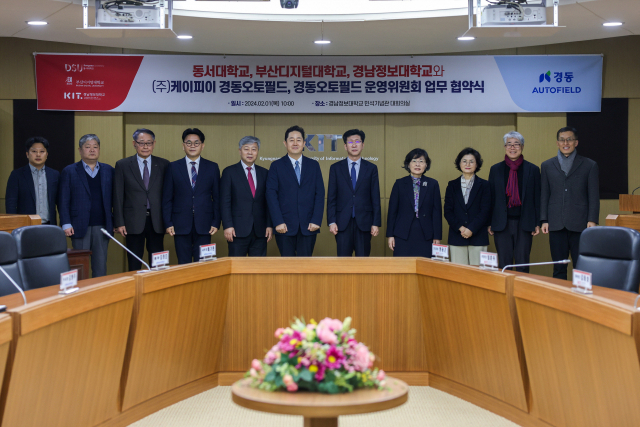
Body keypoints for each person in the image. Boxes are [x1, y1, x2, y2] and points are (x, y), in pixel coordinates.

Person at [541, 126, 599, 280]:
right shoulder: (547, 165)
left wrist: (592, 219)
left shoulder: (589, 165)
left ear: (576, 142)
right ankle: (560, 302)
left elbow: (593, 195)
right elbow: (544, 194)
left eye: (569, 139)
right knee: (559, 267)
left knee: (581, 268)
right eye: (562, 140)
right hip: (555, 222)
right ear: (557, 143)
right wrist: (544, 219)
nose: (565, 142)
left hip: (581, 223)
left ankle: (581, 301)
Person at [113, 129, 169, 271]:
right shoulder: (123, 165)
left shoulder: (164, 165)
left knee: (158, 263)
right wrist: (119, 222)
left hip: (157, 221)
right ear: (134, 144)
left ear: (154, 144)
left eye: (149, 143)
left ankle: (157, 290)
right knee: (134, 262)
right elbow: (118, 196)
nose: (145, 146)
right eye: (141, 143)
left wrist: (169, 221)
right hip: (132, 221)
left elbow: (169, 196)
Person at [58, 134, 113, 277]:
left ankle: (99, 297)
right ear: (80, 150)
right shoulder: (69, 171)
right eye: (88, 147)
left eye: (95, 147)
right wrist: (65, 223)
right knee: (80, 267)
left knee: (100, 266)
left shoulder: (109, 170)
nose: (92, 150)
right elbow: (63, 200)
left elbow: (116, 199)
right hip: (78, 225)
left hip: (102, 226)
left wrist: (115, 221)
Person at [163, 128, 221, 264]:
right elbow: (167, 198)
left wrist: (216, 221)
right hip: (180, 224)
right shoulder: (173, 167)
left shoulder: (212, 167)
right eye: (188, 143)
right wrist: (168, 222)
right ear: (183, 145)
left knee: (204, 263)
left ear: (202, 145)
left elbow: (217, 197)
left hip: (205, 224)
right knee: (183, 263)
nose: (192, 146)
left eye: (196, 143)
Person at [266, 125, 325, 257]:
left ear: (304, 143)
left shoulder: (313, 165)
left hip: (309, 226)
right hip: (284, 226)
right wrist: (278, 221)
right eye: (291, 140)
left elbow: (319, 194)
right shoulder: (276, 166)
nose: (295, 143)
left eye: (299, 140)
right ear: (285, 143)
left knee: (306, 266)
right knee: (287, 266)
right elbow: (271, 195)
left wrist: (316, 220)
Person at [488, 131, 541, 272]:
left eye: (516, 144)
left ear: (522, 147)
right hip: (501, 223)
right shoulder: (495, 169)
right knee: (504, 264)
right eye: (509, 144)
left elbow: (537, 197)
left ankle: (521, 292)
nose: (512, 147)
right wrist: (489, 222)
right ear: (505, 147)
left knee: (522, 263)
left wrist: (537, 222)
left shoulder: (533, 169)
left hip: (525, 223)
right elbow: (491, 198)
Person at [327, 129, 381, 257]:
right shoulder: (335, 168)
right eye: (350, 142)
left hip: (364, 222)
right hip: (342, 223)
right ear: (345, 146)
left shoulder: (371, 168)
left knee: (363, 262)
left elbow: (375, 197)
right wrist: (331, 221)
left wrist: (375, 223)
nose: (354, 145)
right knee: (343, 261)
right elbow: (331, 198)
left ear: (363, 145)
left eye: (357, 141)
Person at [220, 136, 272, 257]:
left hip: (260, 231)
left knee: (258, 269)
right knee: (237, 268)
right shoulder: (229, 172)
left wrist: (269, 225)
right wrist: (227, 226)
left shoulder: (264, 173)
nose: (250, 152)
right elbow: (225, 201)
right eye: (246, 149)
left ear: (257, 152)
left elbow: (268, 202)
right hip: (237, 230)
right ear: (240, 151)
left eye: (254, 149)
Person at [387, 148, 442, 257]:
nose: (418, 164)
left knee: (424, 267)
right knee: (402, 268)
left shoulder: (432, 184)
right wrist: (390, 235)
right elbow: (392, 211)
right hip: (402, 233)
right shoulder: (399, 183)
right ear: (408, 164)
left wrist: (437, 236)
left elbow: (437, 212)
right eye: (414, 161)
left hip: (426, 233)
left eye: (421, 161)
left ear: (426, 165)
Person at [444, 148, 491, 266]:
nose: (468, 164)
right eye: (464, 161)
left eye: (471, 161)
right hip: (457, 236)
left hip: (478, 235)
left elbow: (485, 211)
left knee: (479, 275)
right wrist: (461, 228)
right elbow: (448, 211)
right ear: (459, 163)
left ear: (477, 164)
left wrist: (471, 229)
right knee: (458, 275)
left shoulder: (485, 185)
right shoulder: (452, 185)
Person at [5, 137, 59, 225]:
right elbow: (11, 203)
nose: (38, 155)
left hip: (49, 225)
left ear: (47, 154)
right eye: (34, 151)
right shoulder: (17, 175)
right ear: (27, 154)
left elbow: (60, 202)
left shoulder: (54, 175)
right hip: (25, 226)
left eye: (42, 151)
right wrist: (13, 224)